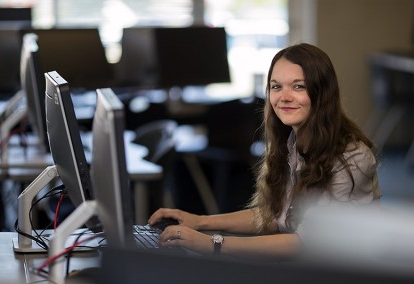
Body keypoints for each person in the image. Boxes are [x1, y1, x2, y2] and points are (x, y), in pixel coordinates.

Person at [148, 43, 381, 260]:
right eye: (276, 87)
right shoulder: (292, 141)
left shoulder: (351, 157)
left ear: (322, 94)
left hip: (341, 277)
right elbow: (273, 215)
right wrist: (199, 221)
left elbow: (306, 242)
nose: (284, 97)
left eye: (299, 86)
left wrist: (213, 244)